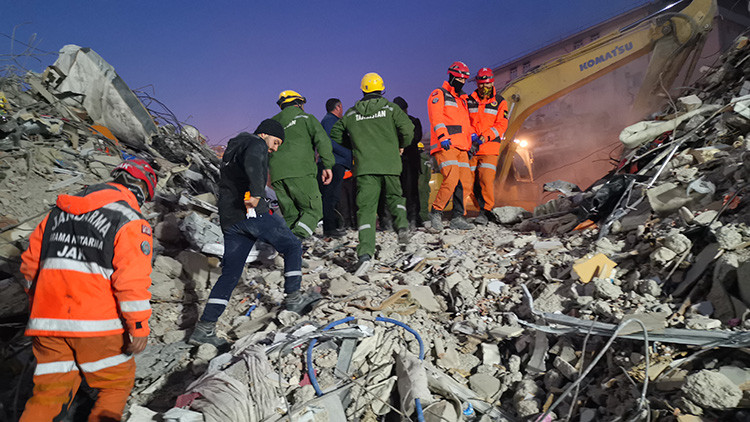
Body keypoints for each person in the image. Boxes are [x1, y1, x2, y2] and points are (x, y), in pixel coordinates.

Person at [19, 159, 157, 421]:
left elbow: (28, 267)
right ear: (141, 187)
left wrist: (39, 306)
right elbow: (131, 281)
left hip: (46, 323)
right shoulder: (129, 219)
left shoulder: (56, 214)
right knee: (115, 384)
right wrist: (138, 326)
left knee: (48, 395)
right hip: (97, 326)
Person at [190, 120, 321, 347]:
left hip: (231, 220)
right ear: (265, 134)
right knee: (291, 245)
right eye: (275, 142)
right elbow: (254, 163)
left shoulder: (233, 148)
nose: (274, 148)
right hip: (250, 212)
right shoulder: (255, 142)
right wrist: (257, 193)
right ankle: (293, 299)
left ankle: (204, 328)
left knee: (230, 274)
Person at [330, 72, 414, 275]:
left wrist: (355, 145)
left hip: (365, 167)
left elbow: (335, 133)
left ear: (363, 90)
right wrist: (400, 144)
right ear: (382, 89)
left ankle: (365, 254)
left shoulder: (350, 113)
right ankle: (402, 228)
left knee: (366, 210)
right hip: (390, 164)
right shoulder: (391, 108)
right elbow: (408, 130)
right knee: (395, 198)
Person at [270, 90, 335, 239]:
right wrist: (328, 165)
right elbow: (322, 140)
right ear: (298, 103)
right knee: (314, 211)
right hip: (300, 171)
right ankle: (295, 240)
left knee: (291, 216)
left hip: (277, 176)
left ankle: (287, 254)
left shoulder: (272, 122)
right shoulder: (306, 118)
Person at [427, 61, 475, 231]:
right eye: (460, 79)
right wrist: (442, 136)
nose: (462, 82)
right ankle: (436, 212)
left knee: (466, 183)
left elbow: (465, 123)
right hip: (445, 146)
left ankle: (457, 217)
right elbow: (436, 117)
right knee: (452, 179)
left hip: (462, 147)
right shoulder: (439, 94)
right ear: (452, 76)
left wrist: (472, 136)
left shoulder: (462, 99)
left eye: (464, 80)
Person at [467, 67, 509, 224]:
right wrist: (472, 136)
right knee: (470, 182)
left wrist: (483, 138)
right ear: (477, 83)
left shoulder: (500, 102)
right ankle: (480, 209)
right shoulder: (469, 100)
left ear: (492, 83)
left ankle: (486, 210)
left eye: (487, 84)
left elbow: (501, 125)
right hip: (471, 148)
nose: (484, 88)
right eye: (481, 84)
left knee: (486, 179)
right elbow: (465, 120)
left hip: (489, 148)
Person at [318, 98, 350, 237]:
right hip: (334, 163)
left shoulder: (326, 120)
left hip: (332, 162)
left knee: (332, 196)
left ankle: (334, 227)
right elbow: (329, 142)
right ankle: (330, 229)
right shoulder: (331, 121)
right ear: (338, 107)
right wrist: (348, 152)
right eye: (341, 107)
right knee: (331, 196)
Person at [393, 96, 424, 228]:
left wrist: (400, 145)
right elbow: (416, 138)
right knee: (410, 192)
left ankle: (408, 218)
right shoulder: (413, 121)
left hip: (403, 162)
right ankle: (412, 218)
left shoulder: (408, 122)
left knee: (400, 192)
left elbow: (415, 138)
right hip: (408, 161)